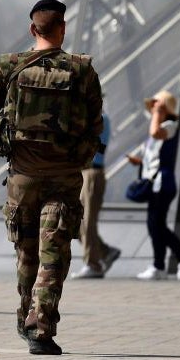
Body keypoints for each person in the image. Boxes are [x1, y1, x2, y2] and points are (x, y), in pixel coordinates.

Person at [0, 0, 103, 356]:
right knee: (54, 254)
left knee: (27, 252)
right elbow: (96, 122)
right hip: (64, 177)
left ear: (33, 29)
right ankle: (42, 325)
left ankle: (23, 313)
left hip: (23, 178)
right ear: (63, 27)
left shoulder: (10, 66)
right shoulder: (82, 71)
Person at [127, 91, 180, 281]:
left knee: (156, 225)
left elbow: (156, 133)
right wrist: (137, 161)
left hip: (163, 183)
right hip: (154, 184)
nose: (153, 108)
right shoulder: (159, 126)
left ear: (165, 108)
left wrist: (158, 114)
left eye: (157, 104)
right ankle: (162, 265)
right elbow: (149, 153)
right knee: (155, 225)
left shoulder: (170, 125)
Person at [72, 112, 120, 279]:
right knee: (77, 221)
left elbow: (95, 146)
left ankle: (93, 264)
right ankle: (105, 252)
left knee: (86, 220)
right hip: (83, 171)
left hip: (92, 171)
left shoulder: (99, 118)